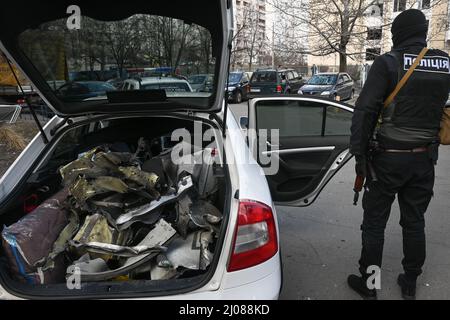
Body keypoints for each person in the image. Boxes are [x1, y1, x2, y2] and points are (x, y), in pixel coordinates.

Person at [347, 9, 450, 300]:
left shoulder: (388, 63)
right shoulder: (444, 63)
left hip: (387, 160)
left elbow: (365, 111)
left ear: (399, 33)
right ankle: (410, 282)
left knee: (375, 223)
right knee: (414, 221)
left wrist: (359, 155)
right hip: (424, 160)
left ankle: (370, 285)